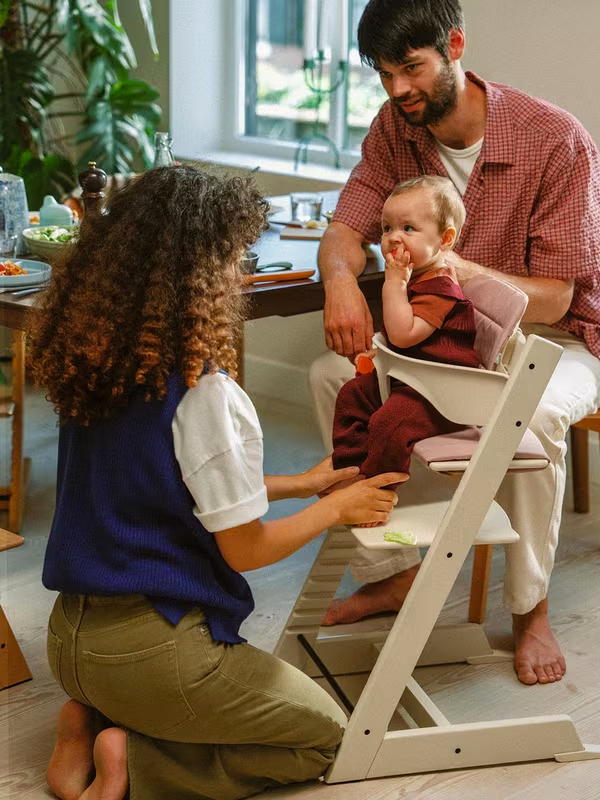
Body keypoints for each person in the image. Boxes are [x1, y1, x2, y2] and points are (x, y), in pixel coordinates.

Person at [27, 165, 406, 800]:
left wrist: (297, 484)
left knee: (193, 695)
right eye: (237, 257)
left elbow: (169, 484)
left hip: (70, 640)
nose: (243, 273)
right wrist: (337, 508)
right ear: (204, 271)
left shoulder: (100, 362)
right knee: (329, 738)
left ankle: (88, 720)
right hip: (151, 654)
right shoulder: (207, 393)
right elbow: (246, 549)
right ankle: (135, 760)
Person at [310, 0, 600, 686]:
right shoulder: (393, 129)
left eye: (410, 68)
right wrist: (341, 283)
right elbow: (345, 229)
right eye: (384, 74)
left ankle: (529, 607)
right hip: (451, 340)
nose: (398, 90)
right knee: (332, 374)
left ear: (456, 46)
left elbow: (557, 296)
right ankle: (396, 571)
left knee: (535, 411)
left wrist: (455, 268)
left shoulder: (554, 139)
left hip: (556, 338)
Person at [332, 175, 480, 494]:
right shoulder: (419, 276)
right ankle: (349, 471)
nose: (393, 238)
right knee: (352, 394)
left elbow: (403, 333)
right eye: (387, 228)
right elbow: (400, 339)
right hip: (415, 379)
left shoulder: (441, 289)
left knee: (392, 422)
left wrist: (394, 283)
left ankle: (376, 492)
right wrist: (381, 353)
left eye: (408, 228)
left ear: (445, 240)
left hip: (444, 395)